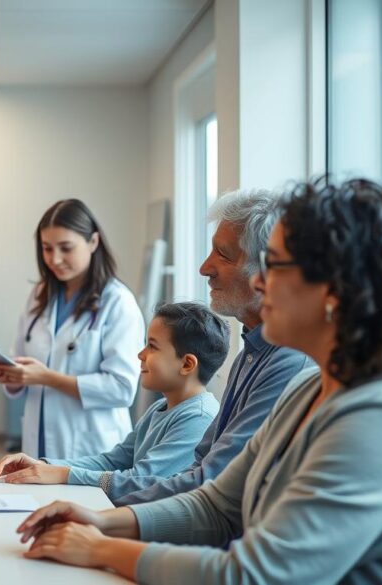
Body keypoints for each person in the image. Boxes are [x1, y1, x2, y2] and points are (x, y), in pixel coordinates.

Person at [16, 178, 382, 583]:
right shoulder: (311, 388)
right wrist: (101, 521)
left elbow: (255, 575)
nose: (261, 282)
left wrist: (99, 547)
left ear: (336, 289)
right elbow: (216, 507)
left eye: (275, 266)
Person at [113, 188, 310, 505]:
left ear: (267, 272)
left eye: (224, 255)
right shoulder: (250, 352)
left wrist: (109, 516)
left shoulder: (290, 364)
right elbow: (202, 469)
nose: (204, 268)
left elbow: (212, 482)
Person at [0, 302, 225, 503]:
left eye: (152, 346)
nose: (140, 354)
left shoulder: (198, 417)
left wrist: (63, 474)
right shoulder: (160, 407)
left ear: (186, 364)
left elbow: (141, 479)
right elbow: (113, 460)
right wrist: (44, 464)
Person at [0, 199, 145, 459]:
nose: (55, 259)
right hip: (37, 439)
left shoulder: (117, 302)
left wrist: (46, 377)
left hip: (91, 448)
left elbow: (121, 388)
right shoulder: (40, 294)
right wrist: (13, 377)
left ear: (93, 242)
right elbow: (21, 355)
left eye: (66, 248)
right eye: (47, 249)